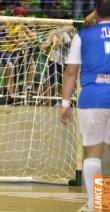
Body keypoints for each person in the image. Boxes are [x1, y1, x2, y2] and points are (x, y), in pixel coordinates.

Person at [60, 0, 110, 211]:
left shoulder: (83, 35)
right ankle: (104, 202)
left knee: (93, 154)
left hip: (92, 98)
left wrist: (64, 103)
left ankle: (96, 205)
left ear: (95, 11)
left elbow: (71, 72)